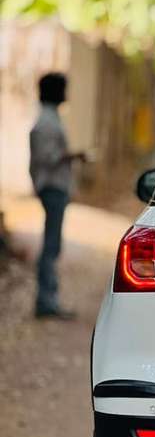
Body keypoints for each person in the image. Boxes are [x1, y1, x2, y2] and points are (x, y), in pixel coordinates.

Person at [29, 73, 86, 319]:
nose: (67, 94)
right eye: (63, 89)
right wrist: (72, 156)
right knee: (51, 245)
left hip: (54, 186)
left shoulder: (50, 118)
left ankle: (48, 298)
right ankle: (46, 301)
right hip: (51, 186)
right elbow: (47, 157)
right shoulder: (46, 122)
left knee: (53, 244)